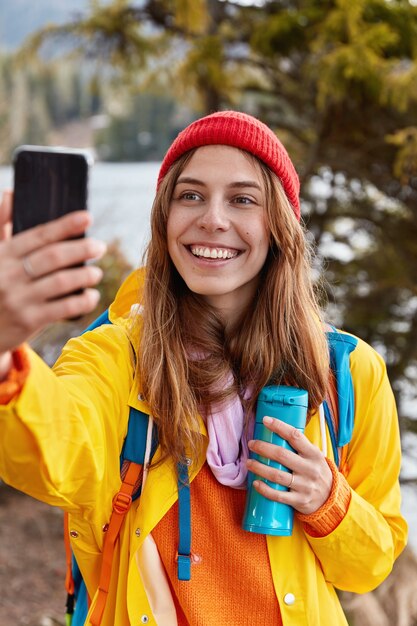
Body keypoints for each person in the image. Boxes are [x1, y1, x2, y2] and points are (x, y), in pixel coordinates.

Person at [0, 111, 408, 626]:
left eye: (242, 199)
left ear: (278, 225)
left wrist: (329, 501)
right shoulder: (116, 357)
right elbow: (53, 452)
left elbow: (369, 567)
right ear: (164, 217)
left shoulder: (346, 372)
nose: (212, 219)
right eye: (189, 195)